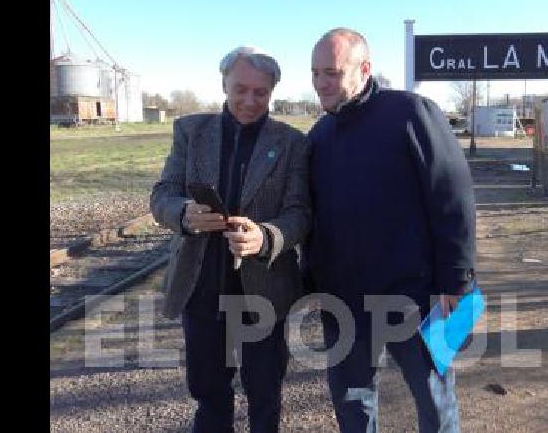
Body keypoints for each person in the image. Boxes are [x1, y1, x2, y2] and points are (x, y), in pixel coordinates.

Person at [305, 28, 477, 433]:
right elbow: (314, 215)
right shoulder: (320, 135)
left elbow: (452, 198)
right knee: (352, 401)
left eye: (331, 72)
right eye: (315, 73)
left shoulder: (411, 114)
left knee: (434, 398)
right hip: (343, 298)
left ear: (364, 69)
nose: (321, 83)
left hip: (417, 297)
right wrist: (312, 279)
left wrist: (458, 280)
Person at [150, 46, 310, 433]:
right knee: (208, 392)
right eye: (240, 89)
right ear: (223, 84)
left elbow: (301, 214)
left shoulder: (291, 142)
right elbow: (162, 195)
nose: (249, 101)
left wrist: (266, 238)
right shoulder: (191, 132)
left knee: (265, 393)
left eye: (260, 92)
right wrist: (183, 213)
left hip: (265, 288)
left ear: (272, 92)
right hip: (202, 285)